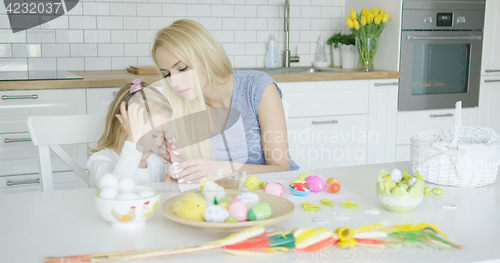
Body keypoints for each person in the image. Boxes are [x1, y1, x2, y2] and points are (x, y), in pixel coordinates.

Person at [152, 19, 299, 184]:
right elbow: (207, 171)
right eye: (167, 74)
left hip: (279, 190)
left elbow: (281, 168)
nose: (174, 82)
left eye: (182, 68)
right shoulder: (186, 102)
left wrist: (219, 170)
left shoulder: (256, 87)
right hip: (229, 198)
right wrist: (182, 157)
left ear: (206, 57)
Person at [88, 78, 172, 187]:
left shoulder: (155, 163)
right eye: (154, 135)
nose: (158, 143)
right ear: (124, 128)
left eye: (162, 136)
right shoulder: (100, 160)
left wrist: (166, 186)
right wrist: (133, 140)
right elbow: (116, 190)